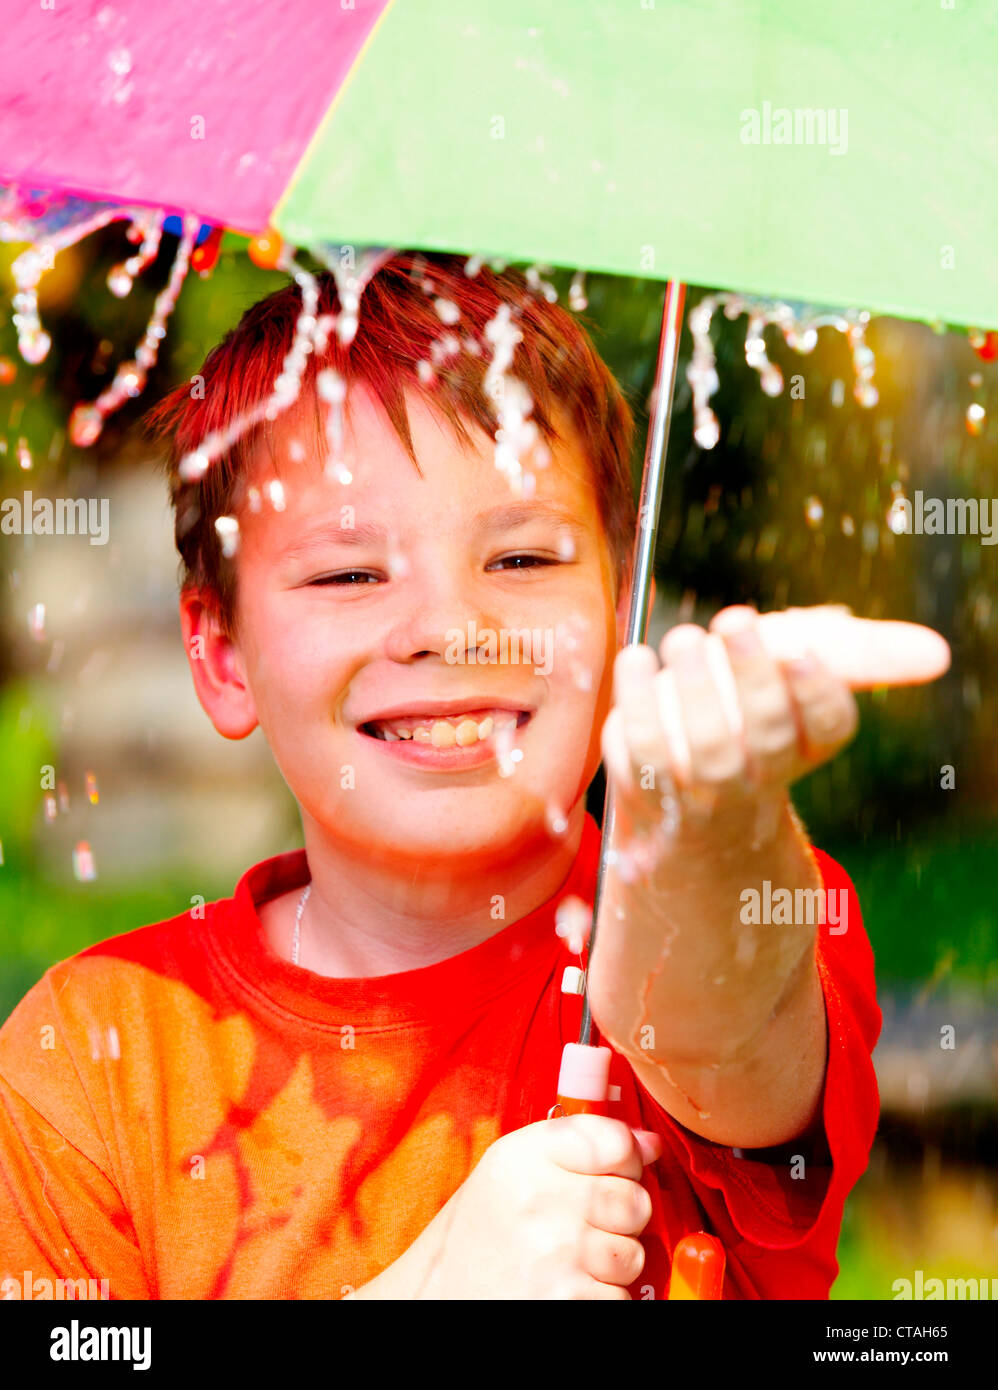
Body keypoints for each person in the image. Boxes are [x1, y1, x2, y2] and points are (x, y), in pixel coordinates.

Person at [0, 252, 882, 1299]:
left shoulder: (725, 913)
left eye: (521, 560)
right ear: (222, 653)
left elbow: (721, 1023)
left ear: (617, 611)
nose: (449, 630)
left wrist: (703, 818)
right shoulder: (89, 1064)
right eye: (347, 573)